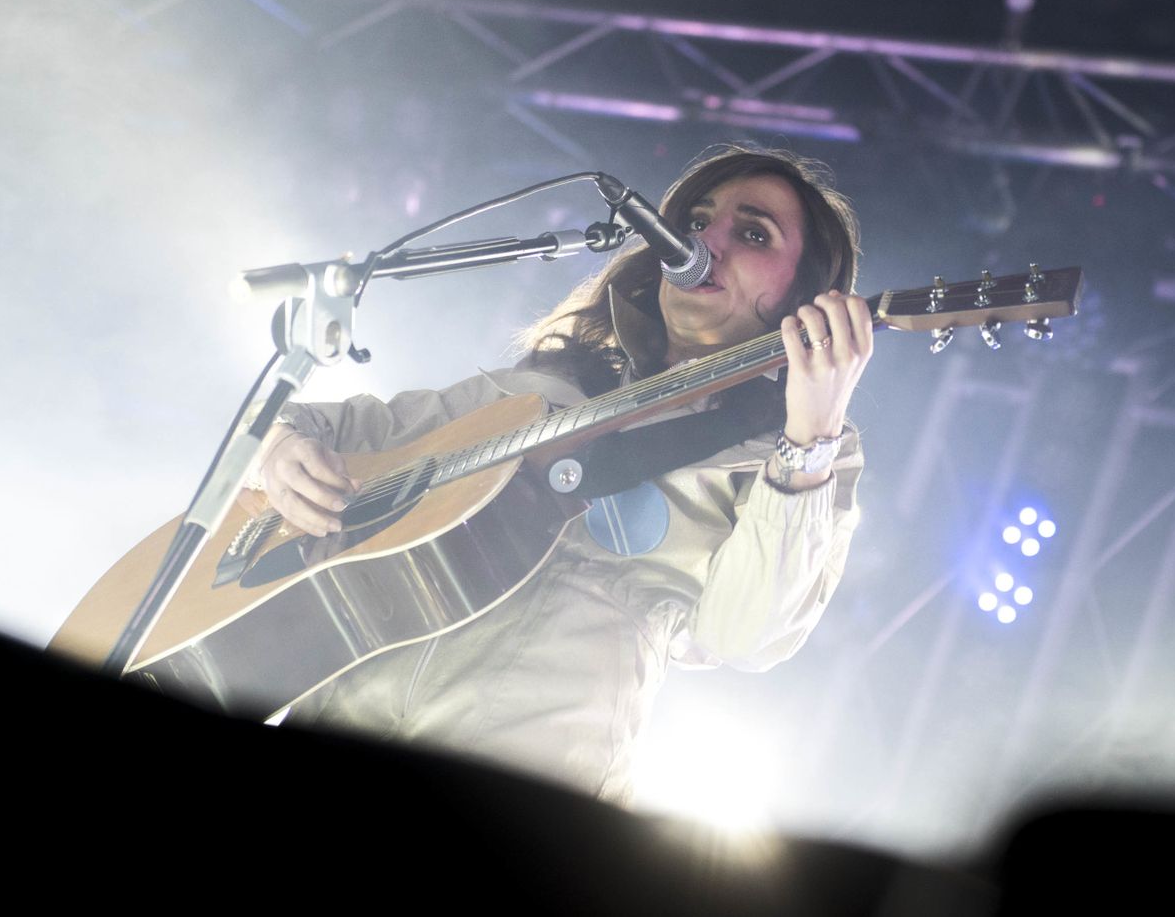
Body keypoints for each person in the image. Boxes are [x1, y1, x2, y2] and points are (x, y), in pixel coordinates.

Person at [254, 145, 872, 803]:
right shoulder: (537, 390)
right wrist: (277, 451)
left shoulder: (784, 447)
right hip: (349, 702)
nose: (705, 243)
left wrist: (810, 438)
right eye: (694, 221)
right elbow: (318, 428)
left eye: (753, 234)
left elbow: (747, 636)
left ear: (803, 299)